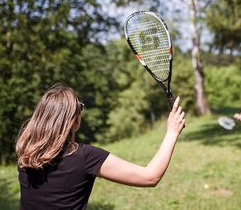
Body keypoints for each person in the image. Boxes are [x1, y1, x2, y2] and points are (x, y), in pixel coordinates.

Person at [16, 84, 185, 209]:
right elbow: (150, 177)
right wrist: (172, 132)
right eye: (79, 107)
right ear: (72, 120)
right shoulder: (85, 156)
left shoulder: (25, 156)